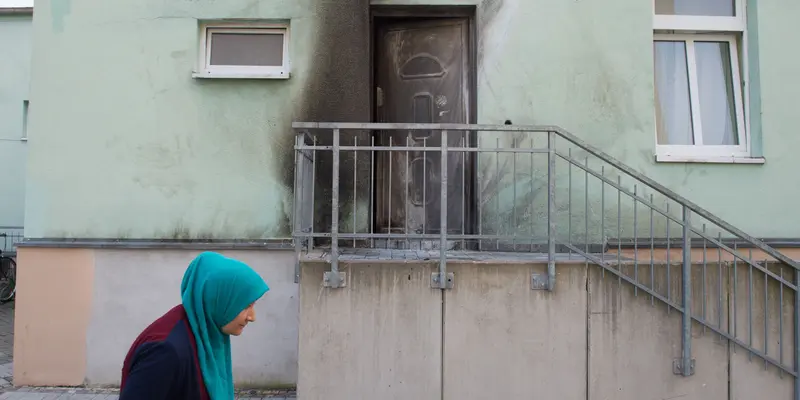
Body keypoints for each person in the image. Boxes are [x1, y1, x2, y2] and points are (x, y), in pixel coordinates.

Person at [120, 251, 270, 400]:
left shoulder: (207, 334)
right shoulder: (165, 351)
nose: (252, 317)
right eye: (246, 306)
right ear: (217, 299)